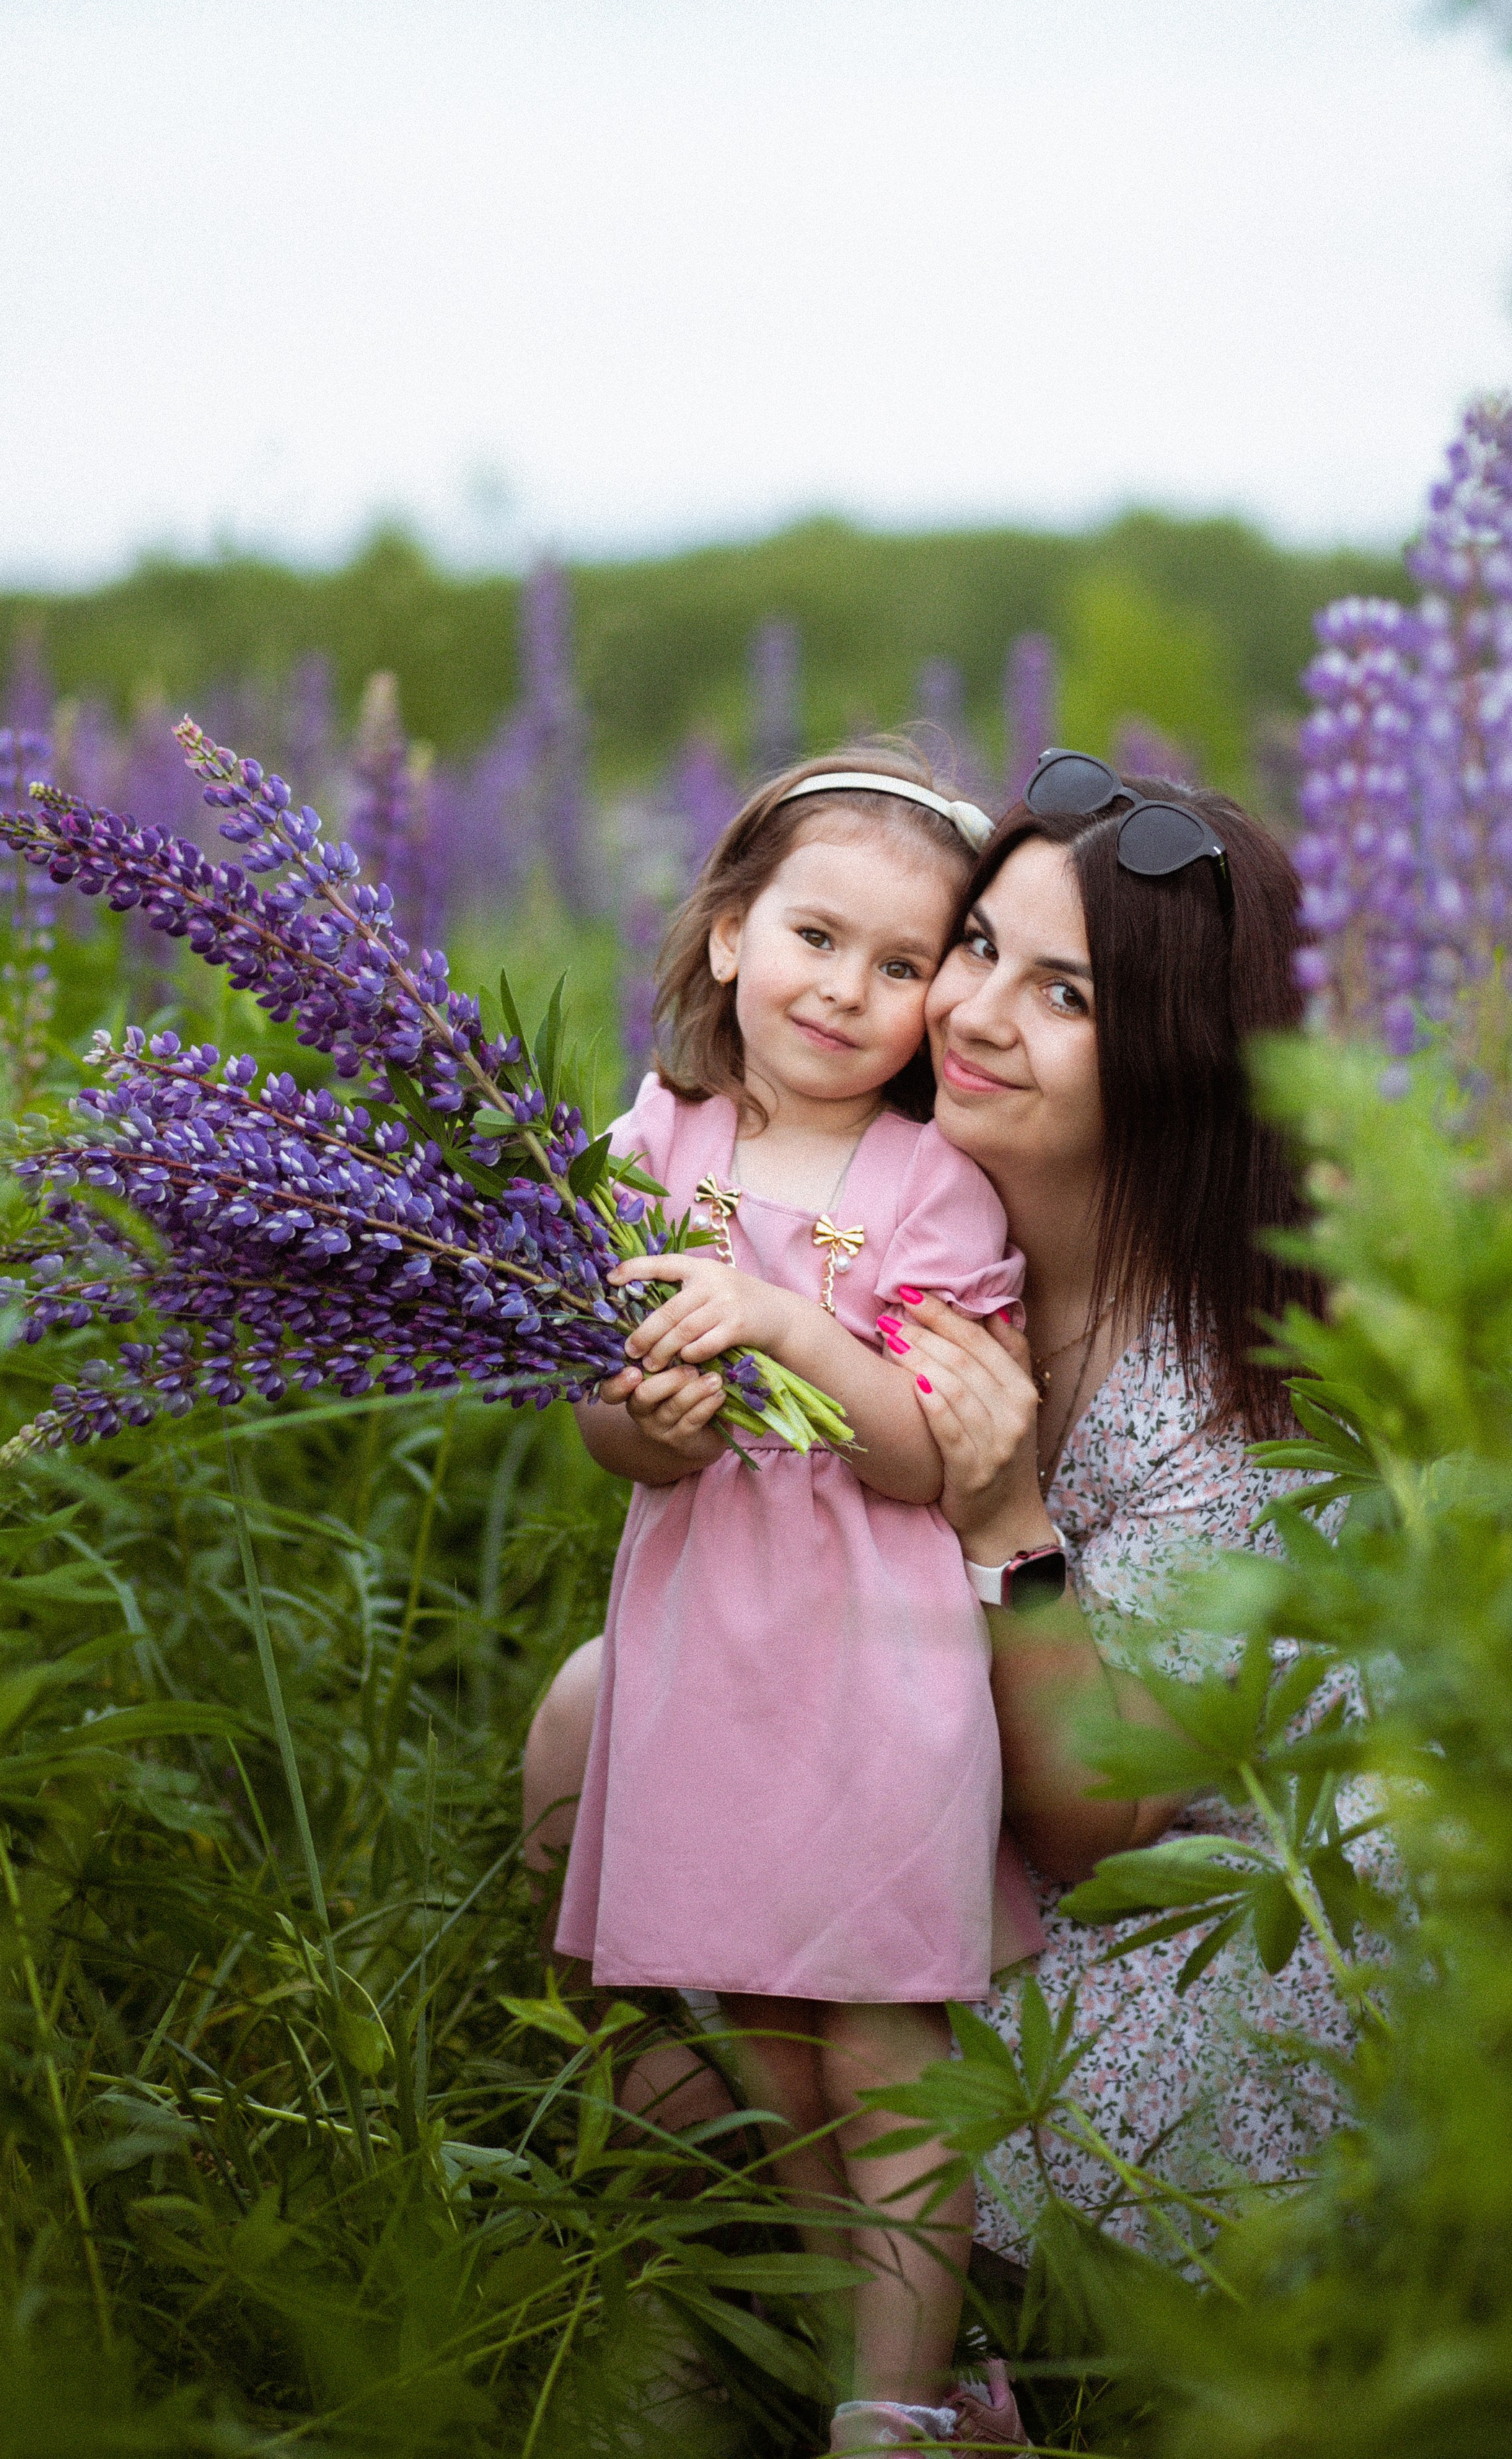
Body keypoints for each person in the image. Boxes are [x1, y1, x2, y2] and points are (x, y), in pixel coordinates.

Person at [525, 752, 1353, 2298]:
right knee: (593, 1715)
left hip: (1174, 1914)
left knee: (843, 2058)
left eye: (1065, 996)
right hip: (921, 1785)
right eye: (973, 948)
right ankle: (732, 2266)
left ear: (1177, 1060)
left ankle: (890, 2305)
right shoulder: (888, 1201)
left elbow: (1099, 1829)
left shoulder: (1235, 1384)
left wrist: (1006, 1522)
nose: (970, 1013)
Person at [547, 746, 1039, 2454]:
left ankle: (890, 2410)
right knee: (761, 2032)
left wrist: (777, 1323)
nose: (844, 988)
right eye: (814, 937)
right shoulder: (645, 1145)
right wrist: (658, 1425)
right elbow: (606, 1428)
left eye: (899, 965)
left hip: (875, 1669)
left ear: (933, 1003)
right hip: (707, 1651)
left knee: (883, 2033)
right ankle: (862, 2352)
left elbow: (922, 1458)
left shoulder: (932, 1190)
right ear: (729, 936)